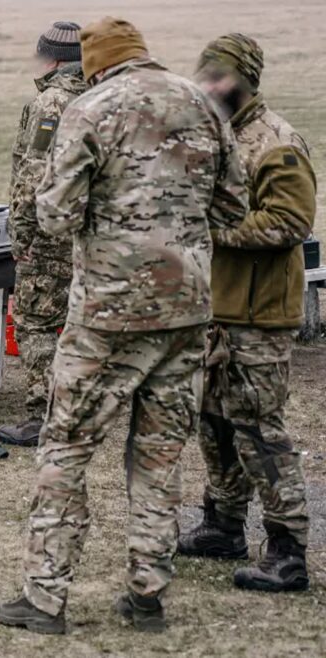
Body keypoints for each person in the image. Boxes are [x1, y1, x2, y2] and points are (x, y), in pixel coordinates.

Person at [0, 17, 248, 634]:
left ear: (95, 62)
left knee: (67, 449)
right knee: (160, 455)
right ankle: (147, 594)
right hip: (186, 312)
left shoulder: (90, 106)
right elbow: (235, 204)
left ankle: (46, 598)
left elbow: (54, 214)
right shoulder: (202, 103)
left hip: (107, 315)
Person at [178, 34, 317, 593]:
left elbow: (290, 223)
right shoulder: (217, 137)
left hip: (258, 318)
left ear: (244, 79)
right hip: (215, 311)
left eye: (218, 75)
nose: (207, 84)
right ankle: (223, 525)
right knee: (213, 422)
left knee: (260, 431)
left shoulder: (276, 142)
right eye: (203, 73)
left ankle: (287, 550)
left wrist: (211, 233)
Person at [0, 21, 87, 448]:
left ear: (51, 58)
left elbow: (33, 173)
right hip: (92, 234)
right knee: (80, 320)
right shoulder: (102, 97)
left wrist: (21, 232)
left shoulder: (51, 101)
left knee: (33, 321)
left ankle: (43, 416)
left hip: (51, 233)